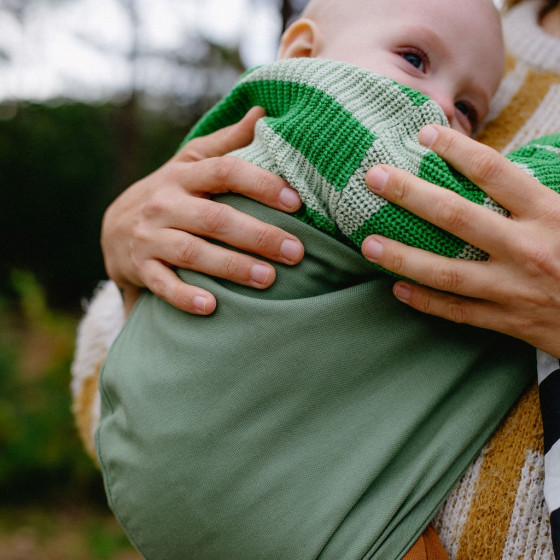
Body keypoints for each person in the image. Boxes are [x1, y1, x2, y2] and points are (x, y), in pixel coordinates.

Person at [71, 0, 560, 558]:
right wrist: (124, 238)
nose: (442, 107)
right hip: (246, 464)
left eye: (470, 109)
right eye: (414, 60)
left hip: (227, 475)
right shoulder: (329, 111)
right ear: (303, 53)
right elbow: (469, 224)